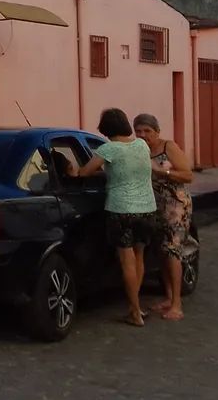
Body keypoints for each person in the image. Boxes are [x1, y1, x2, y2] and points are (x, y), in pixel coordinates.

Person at [67, 108, 158, 327]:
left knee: (126, 262)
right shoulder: (141, 145)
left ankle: (135, 312)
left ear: (106, 129)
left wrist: (72, 171)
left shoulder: (108, 149)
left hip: (121, 209)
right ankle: (134, 307)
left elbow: (85, 172)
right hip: (147, 207)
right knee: (139, 258)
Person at [133, 113, 194, 321]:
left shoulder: (169, 147)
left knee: (172, 249)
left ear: (157, 132)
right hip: (152, 205)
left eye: (147, 131)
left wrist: (162, 172)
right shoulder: (138, 150)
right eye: (139, 131)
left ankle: (177, 303)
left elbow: (187, 174)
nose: (142, 135)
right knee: (160, 250)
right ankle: (168, 297)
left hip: (175, 204)